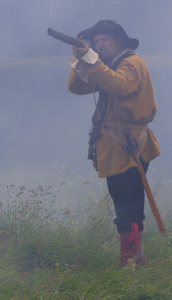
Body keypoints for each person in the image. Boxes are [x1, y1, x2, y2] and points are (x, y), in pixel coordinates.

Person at [67, 20, 160, 265]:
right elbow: (76, 88)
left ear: (119, 41)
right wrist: (80, 61)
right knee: (123, 200)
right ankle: (133, 258)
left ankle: (131, 260)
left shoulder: (132, 63)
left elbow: (120, 86)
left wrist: (93, 60)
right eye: (96, 42)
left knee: (128, 203)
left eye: (104, 41)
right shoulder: (107, 67)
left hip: (130, 143)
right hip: (115, 145)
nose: (99, 45)